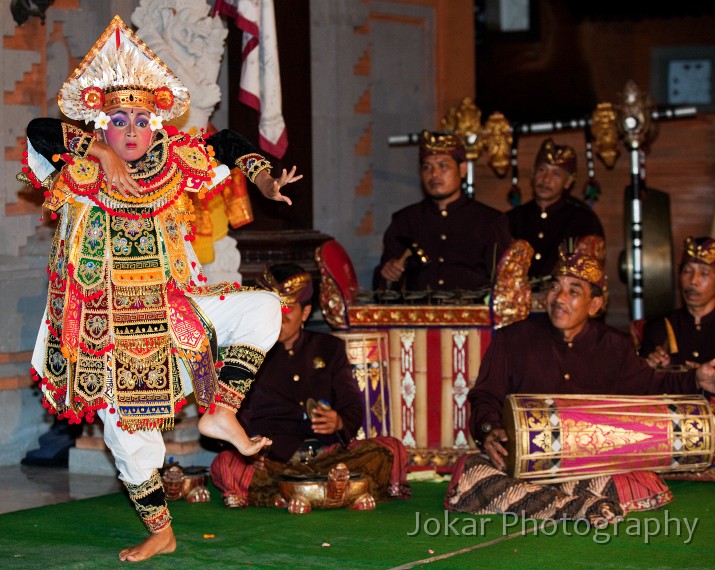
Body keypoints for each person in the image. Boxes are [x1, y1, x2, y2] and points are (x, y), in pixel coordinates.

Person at [23, 16, 302, 562]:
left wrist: (263, 174)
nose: (132, 130)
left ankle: (220, 408)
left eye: (143, 119)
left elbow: (223, 140)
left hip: (175, 309)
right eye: (119, 119)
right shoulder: (77, 163)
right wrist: (98, 154)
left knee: (268, 306)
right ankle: (161, 528)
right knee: (129, 438)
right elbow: (38, 129)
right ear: (101, 122)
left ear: (156, 125)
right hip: (103, 325)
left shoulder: (172, 162)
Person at [444, 246, 715, 522]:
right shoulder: (512, 339)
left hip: (586, 468)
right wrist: (490, 429)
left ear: (595, 305)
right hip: (522, 464)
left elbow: (652, 385)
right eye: (554, 287)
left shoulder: (615, 346)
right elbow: (485, 396)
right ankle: (576, 505)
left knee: (636, 479)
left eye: (573, 291)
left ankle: (548, 503)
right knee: (470, 471)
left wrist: (695, 378)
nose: (559, 298)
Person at [210, 263, 411, 508]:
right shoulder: (244, 353)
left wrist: (338, 421)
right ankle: (335, 493)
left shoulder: (329, 348)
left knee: (391, 448)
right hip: (274, 463)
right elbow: (227, 416)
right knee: (226, 464)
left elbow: (352, 406)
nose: (277, 317)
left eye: (287, 310)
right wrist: (248, 446)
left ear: (305, 313)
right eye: (271, 308)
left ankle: (290, 495)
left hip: (329, 459)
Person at [373, 129, 511, 292]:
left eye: (443, 166)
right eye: (427, 167)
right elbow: (383, 291)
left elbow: (505, 287)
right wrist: (388, 275)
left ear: (462, 170)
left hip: (472, 315)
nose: (434, 174)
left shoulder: (490, 221)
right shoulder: (404, 221)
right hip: (419, 315)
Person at [507, 138, 605, 280]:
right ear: (533, 173)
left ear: (568, 182)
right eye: (542, 170)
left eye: (556, 174)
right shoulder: (512, 219)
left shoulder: (584, 223)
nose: (546, 179)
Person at [640, 236, 715, 370]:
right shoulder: (659, 328)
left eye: (704, 273)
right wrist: (651, 368)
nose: (693, 280)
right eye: (687, 271)